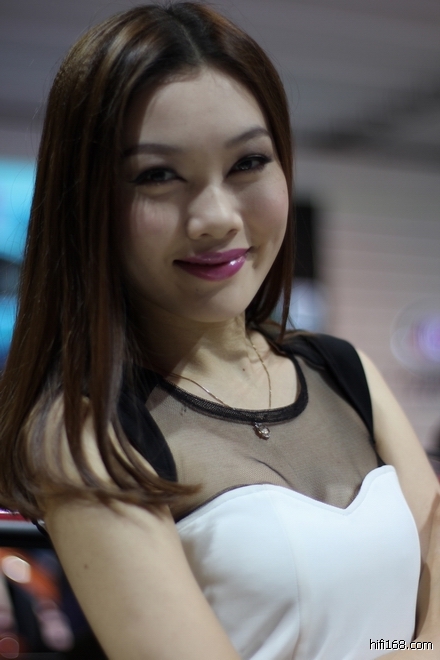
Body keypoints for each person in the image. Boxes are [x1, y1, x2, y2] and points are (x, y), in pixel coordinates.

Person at [0, 3, 439, 659]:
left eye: (248, 162)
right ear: (88, 203)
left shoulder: (341, 371)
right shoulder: (88, 434)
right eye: (157, 175)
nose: (215, 217)